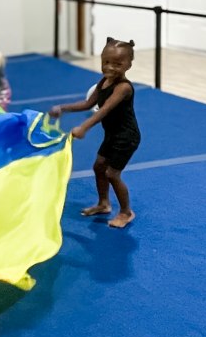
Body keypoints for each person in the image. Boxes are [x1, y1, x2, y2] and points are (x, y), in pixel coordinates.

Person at [48, 37, 141, 229]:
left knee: (112, 174)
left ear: (128, 65)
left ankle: (126, 212)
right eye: (106, 62)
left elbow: (104, 109)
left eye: (117, 64)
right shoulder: (104, 82)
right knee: (99, 167)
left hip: (126, 137)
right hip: (112, 134)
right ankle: (103, 204)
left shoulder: (123, 88)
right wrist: (62, 107)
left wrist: (84, 127)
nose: (110, 68)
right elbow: (88, 104)